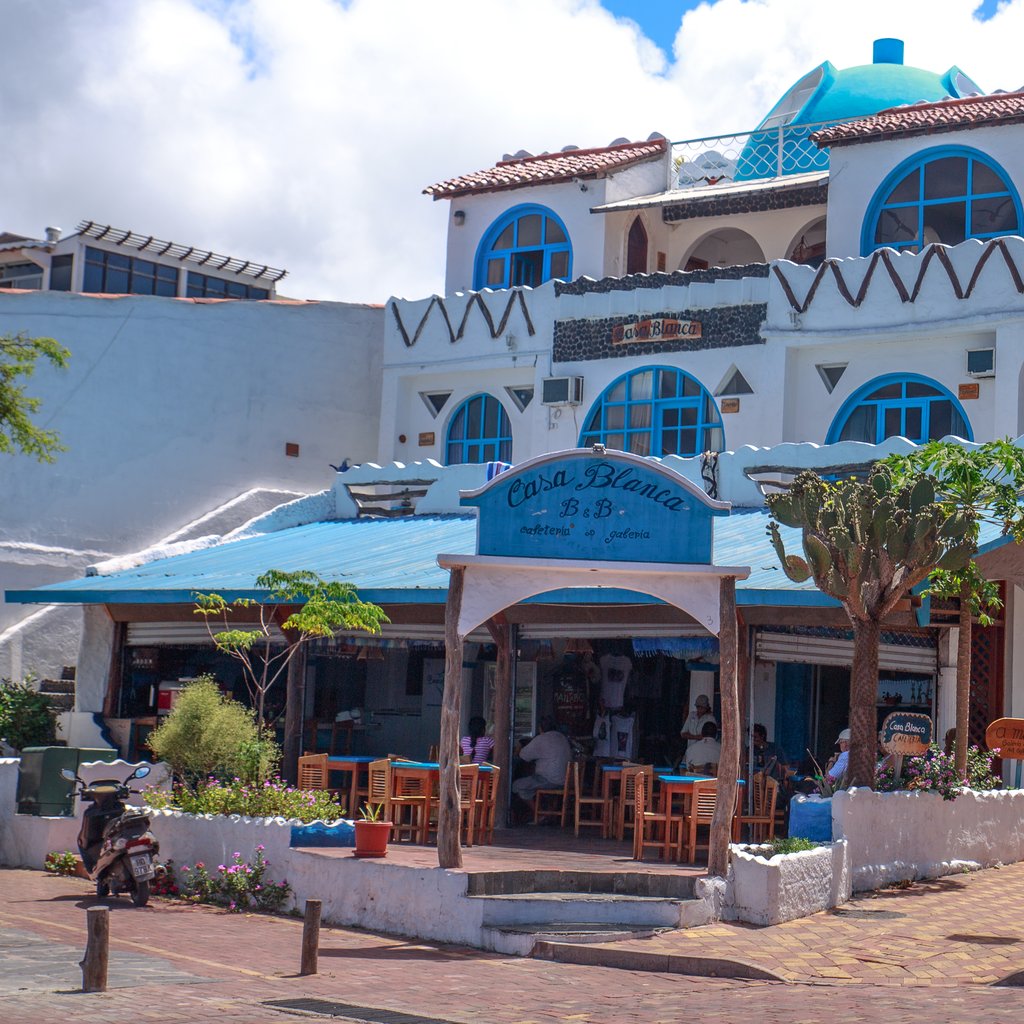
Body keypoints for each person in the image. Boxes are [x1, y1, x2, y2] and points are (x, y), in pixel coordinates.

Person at [512, 717, 572, 803]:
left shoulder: (541, 738)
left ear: (540, 728)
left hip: (549, 781)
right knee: (527, 786)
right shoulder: (562, 737)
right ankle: (544, 807)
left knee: (516, 785)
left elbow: (523, 755)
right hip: (566, 781)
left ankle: (537, 810)